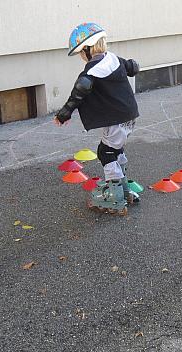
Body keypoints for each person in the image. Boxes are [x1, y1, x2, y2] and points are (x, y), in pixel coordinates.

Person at [54, 23, 140, 215]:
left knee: (106, 152)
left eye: (80, 53)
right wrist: (132, 66)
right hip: (130, 115)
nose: (81, 58)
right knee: (115, 150)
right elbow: (133, 67)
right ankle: (124, 190)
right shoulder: (114, 59)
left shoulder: (91, 71)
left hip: (116, 119)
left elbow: (79, 93)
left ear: (88, 49)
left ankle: (115, 196)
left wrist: (63, 115)